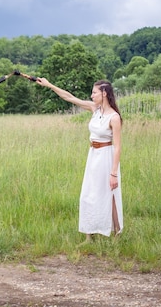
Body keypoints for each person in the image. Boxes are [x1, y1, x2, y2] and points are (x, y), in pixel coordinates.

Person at [35, 77, 123, 239]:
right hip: (93, 156)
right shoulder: (94, 109)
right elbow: (69, 97)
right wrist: (49, 85)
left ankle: (116, 234)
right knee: (88, 195)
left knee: (109, 196)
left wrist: (113, 173)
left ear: (104, 93)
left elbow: (117, 147)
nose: (91, 96)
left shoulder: (114, 117)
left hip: (106, 158)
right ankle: (89, 236)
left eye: (94, 92)